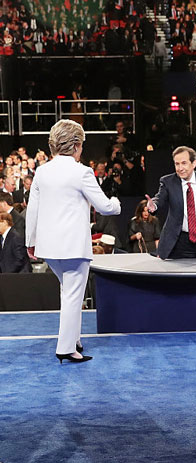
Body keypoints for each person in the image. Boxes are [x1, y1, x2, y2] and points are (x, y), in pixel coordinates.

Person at [26, 119, 121, 363]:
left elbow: (33, 209)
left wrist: (30, 241)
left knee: (68, 292)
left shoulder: (42, 171)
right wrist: (117, 202)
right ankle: (66, 347)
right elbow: (105, 206)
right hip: (73, 246)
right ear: (76, 145)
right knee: (72, 295)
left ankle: (74, 339)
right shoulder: (82, 172)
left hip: (48, 246)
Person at [145, 146, 196, 259]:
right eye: (177, 164)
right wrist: (154, 205)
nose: (180, 168)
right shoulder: (168, 182)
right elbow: (159, 199)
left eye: (184, 163)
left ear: (194, 163)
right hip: (179, 243)